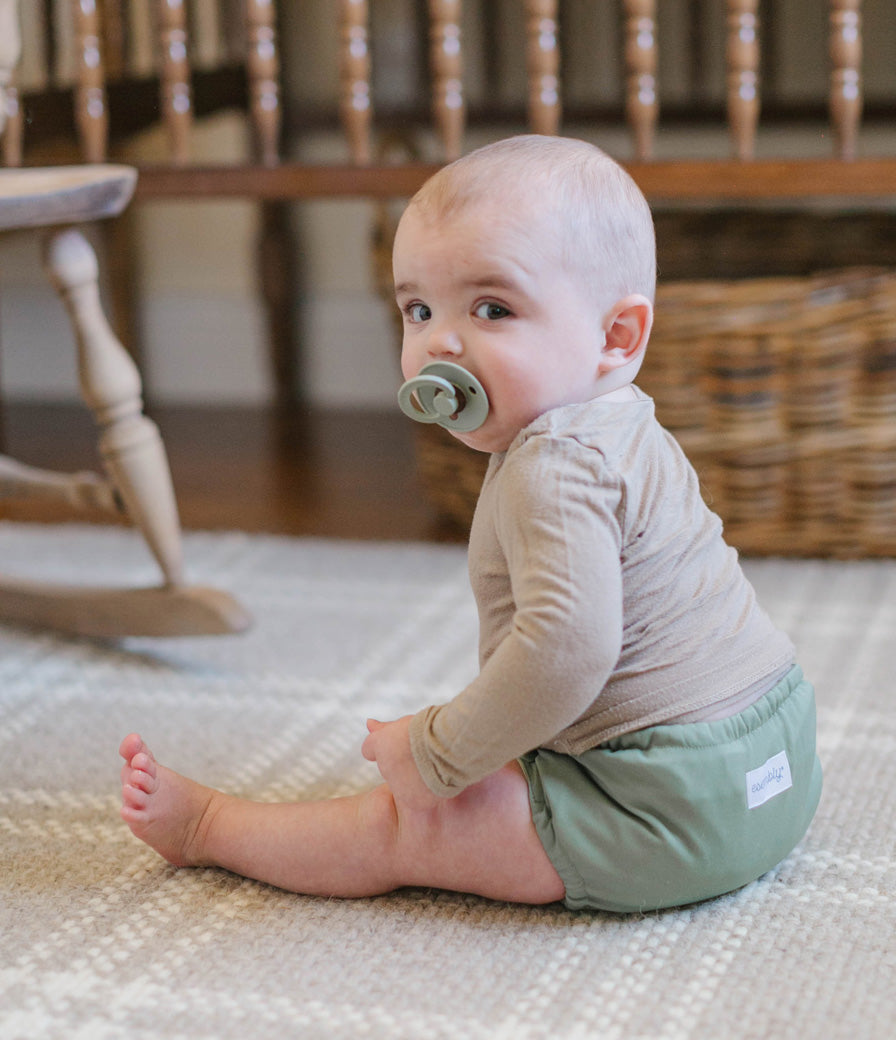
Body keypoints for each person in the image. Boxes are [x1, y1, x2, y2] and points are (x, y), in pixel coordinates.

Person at [119, 135, 822, 913]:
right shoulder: (627, 424)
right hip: (778, 759)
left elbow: (567, 650)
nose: (439, 343)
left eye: (492, 309)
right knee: (500, 755)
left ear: (615, 336)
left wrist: (437, 754)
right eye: (418, 309)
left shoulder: (553, 468)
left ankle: (211, 827)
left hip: (670, 812)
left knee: (415, 820)